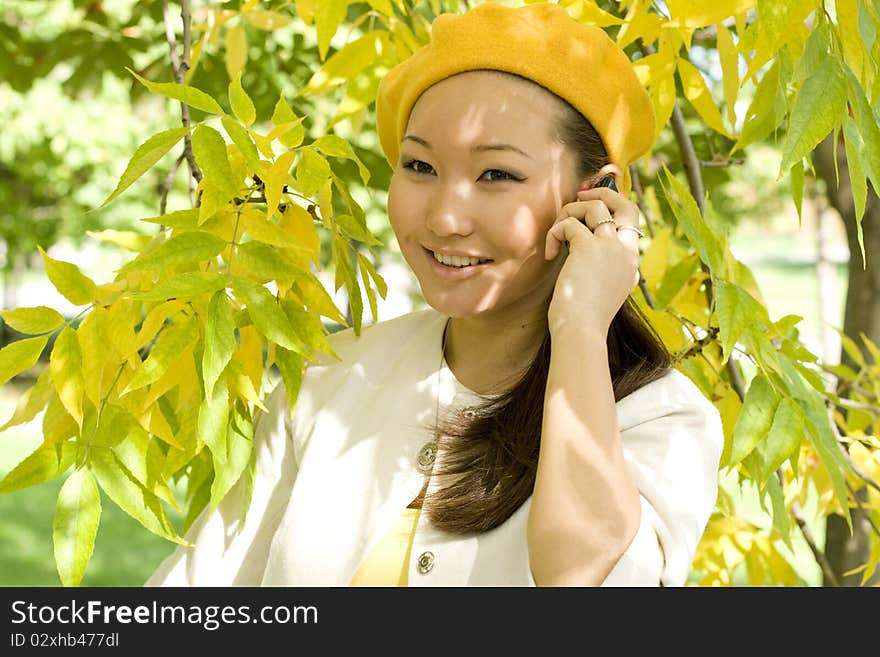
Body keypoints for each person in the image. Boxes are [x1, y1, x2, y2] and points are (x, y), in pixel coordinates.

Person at [146, 1, 723, 587]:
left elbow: (581, 581)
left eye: (496, 174)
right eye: (419, 165)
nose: (445, 218)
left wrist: (580, 323)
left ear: (595, 199)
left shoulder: (661, 420)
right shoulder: (330, 379)